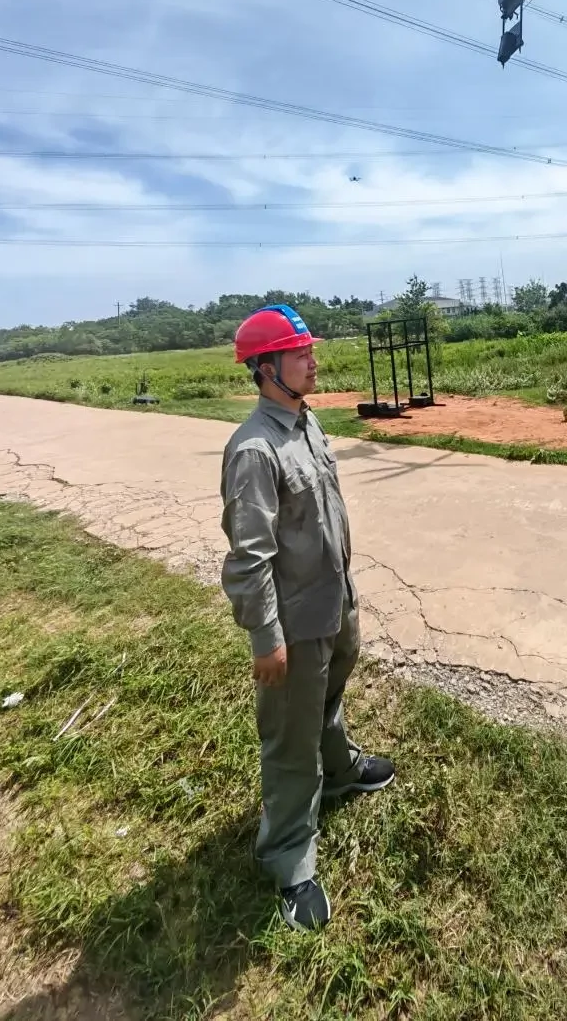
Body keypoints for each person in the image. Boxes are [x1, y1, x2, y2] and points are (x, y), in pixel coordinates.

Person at [220, 302, 394, 931]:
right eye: (300, 353)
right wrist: (266, 638)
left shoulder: (305, 423)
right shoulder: (254, 450)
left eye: (311, 350)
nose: (313, 361)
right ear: (266, 368)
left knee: (329, 698)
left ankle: (340, 771)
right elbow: (249, 559)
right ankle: (289, 858)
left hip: (333, 600)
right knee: (291, 739)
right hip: (293, 623)